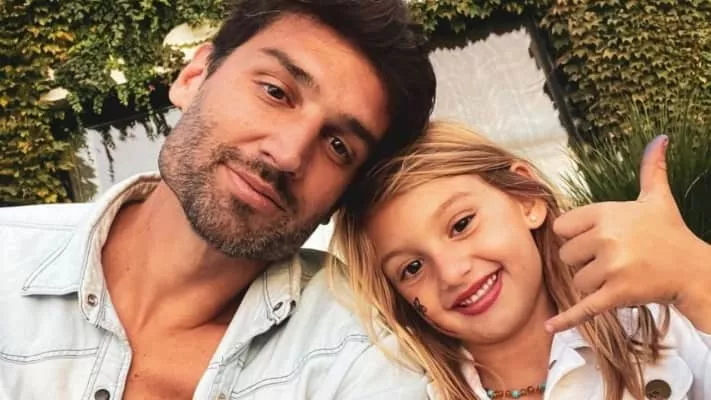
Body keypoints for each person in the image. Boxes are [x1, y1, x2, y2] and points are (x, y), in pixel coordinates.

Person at [0, 1, 436, 399]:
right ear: (194, 77)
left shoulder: (360, 361)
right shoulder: (9, 257)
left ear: (342, 199)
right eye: (275, 91)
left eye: (338, 146)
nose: (288, 154)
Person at [330, 121, 711, 399]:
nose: (452, 272)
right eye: (411, 268)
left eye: (462, 224)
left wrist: (697, 279)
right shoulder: (402, 389)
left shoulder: (656, 327)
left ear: (526, 198)